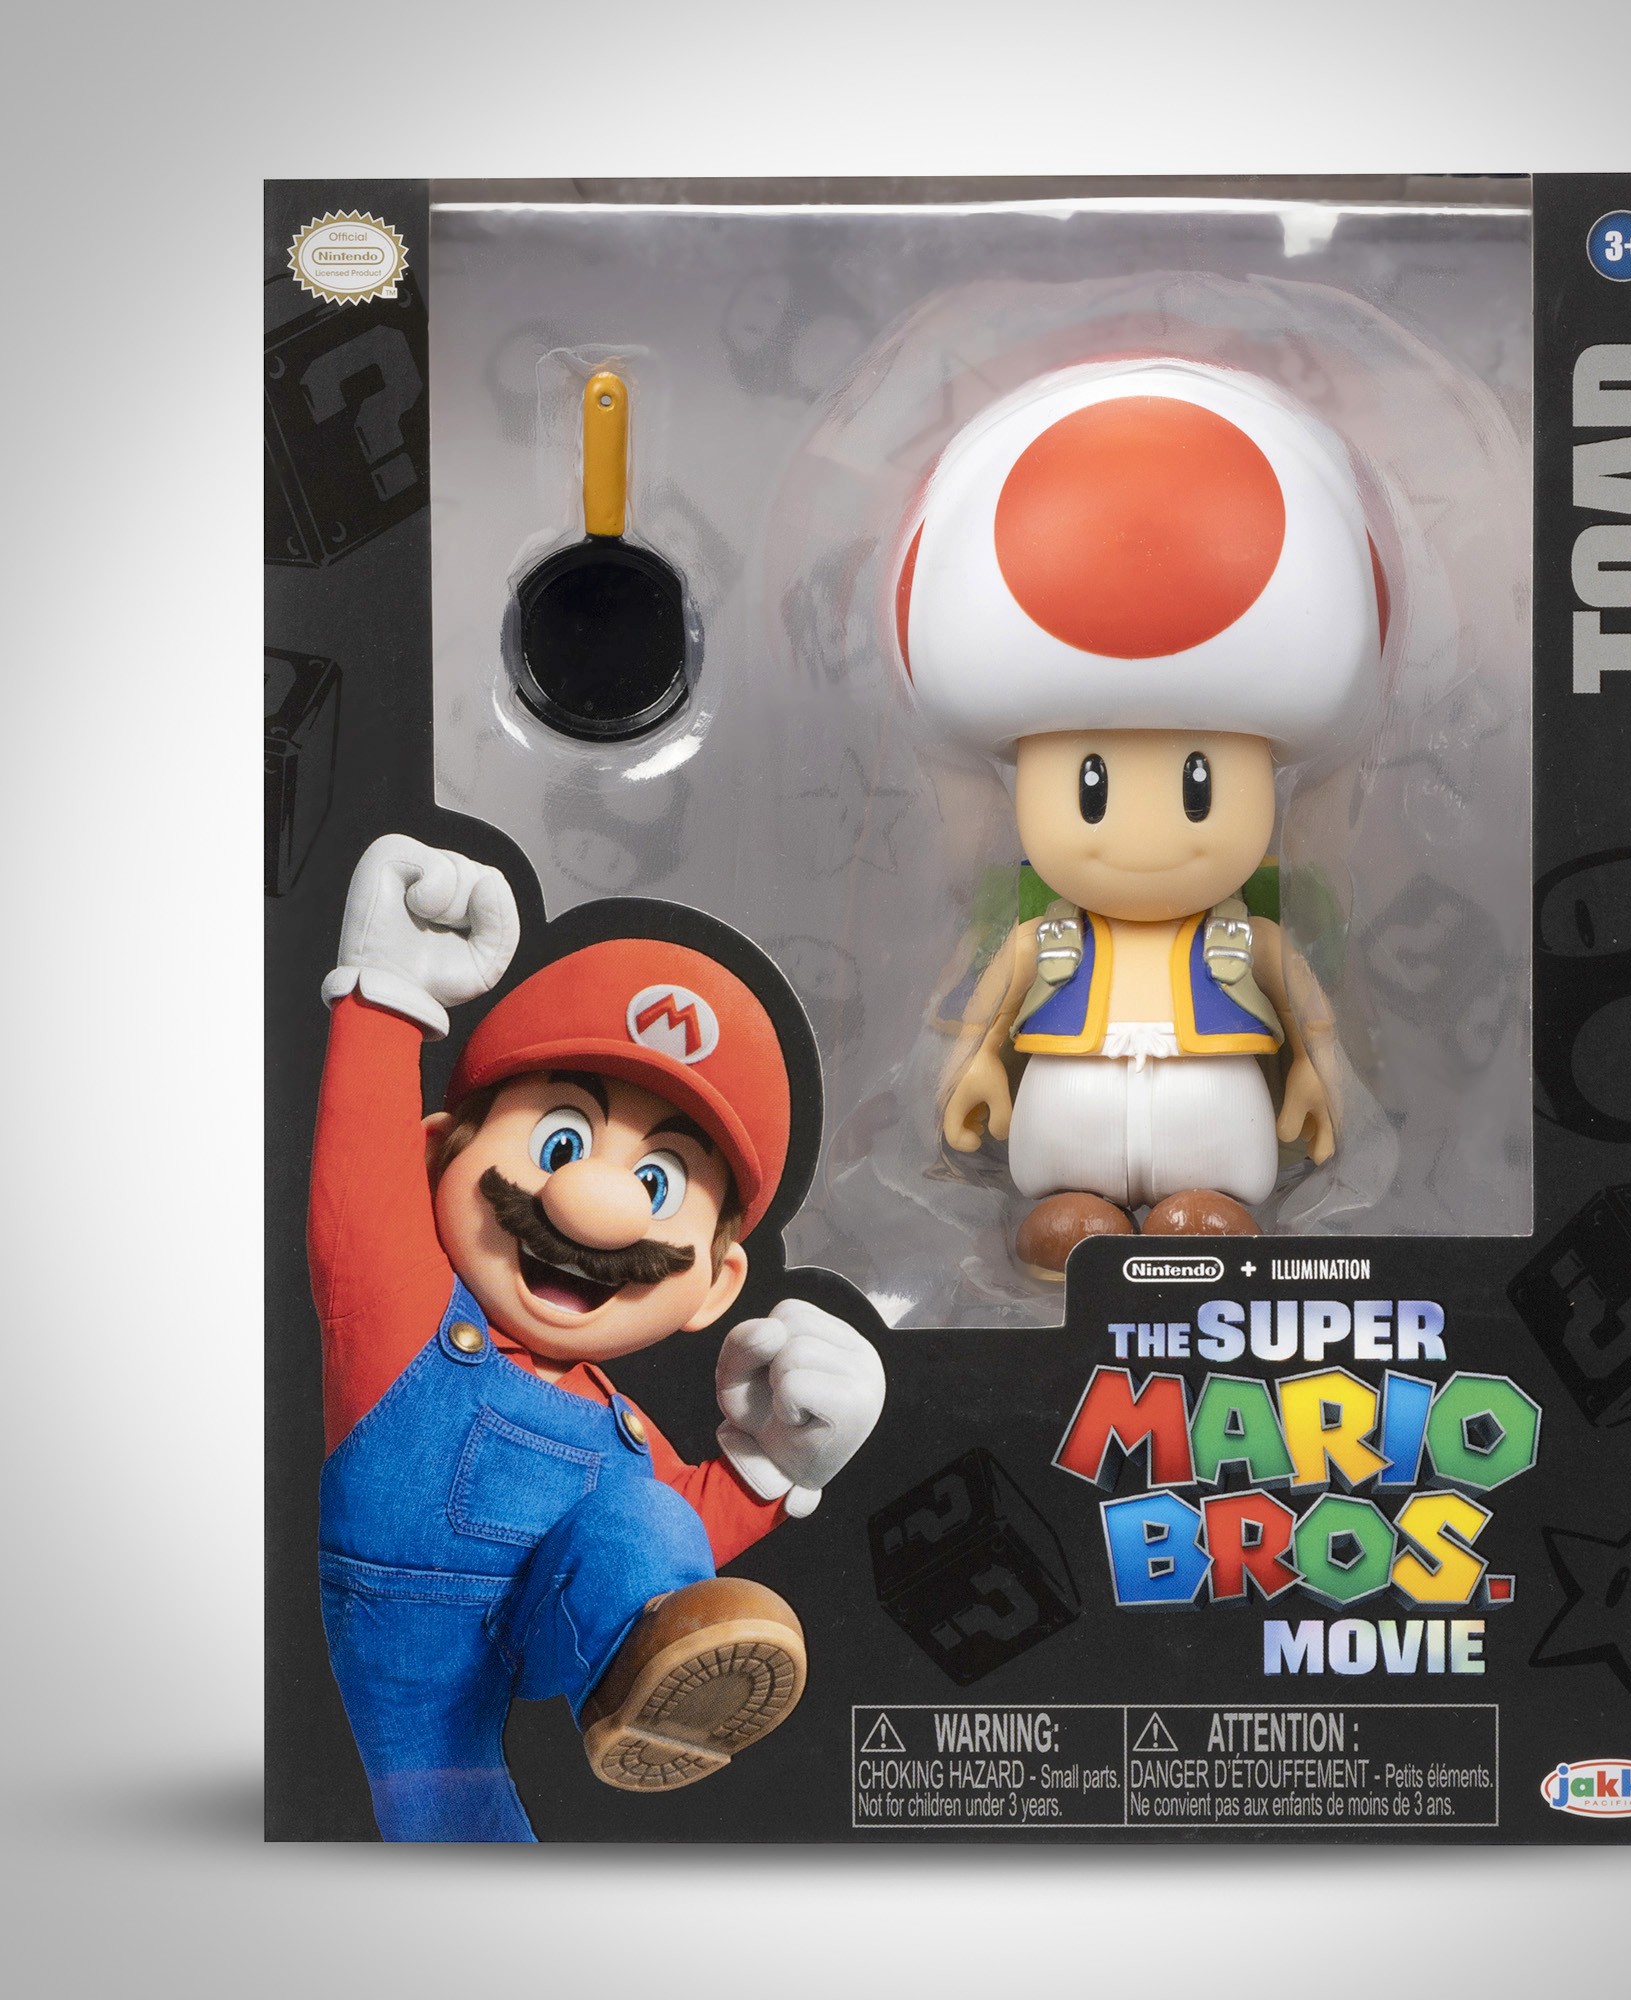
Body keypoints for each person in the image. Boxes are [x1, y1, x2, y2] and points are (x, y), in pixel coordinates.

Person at [310, 833, 884, 1840]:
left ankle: (641, 1687)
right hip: (404, 1640)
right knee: (448, 1810)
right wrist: (384, 996)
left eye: (658, 1181)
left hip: (559, 1621)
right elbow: (355, 1185)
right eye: (563, 1139)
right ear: (438, 1156)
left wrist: (781, 1458)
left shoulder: (620, 1429)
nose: (599, 1205)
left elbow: (683, 1531)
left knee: (651, 1522)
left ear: (716, 1284)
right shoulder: (401, 1318)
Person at [896, 359, 1385, 1276]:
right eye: (1092, 788)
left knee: (1210, 1207)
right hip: (1067, 1120)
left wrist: (1319, 1075)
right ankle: (1070, 1223)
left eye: (1199, 788)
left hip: (1215, 1122)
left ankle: (1202, 1225)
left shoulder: (1248, 939)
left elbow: (1307, 1014)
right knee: (1063, 1221)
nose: (1146, 835)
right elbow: (982, 1015)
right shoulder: (1043, 940)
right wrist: (972, 1067)